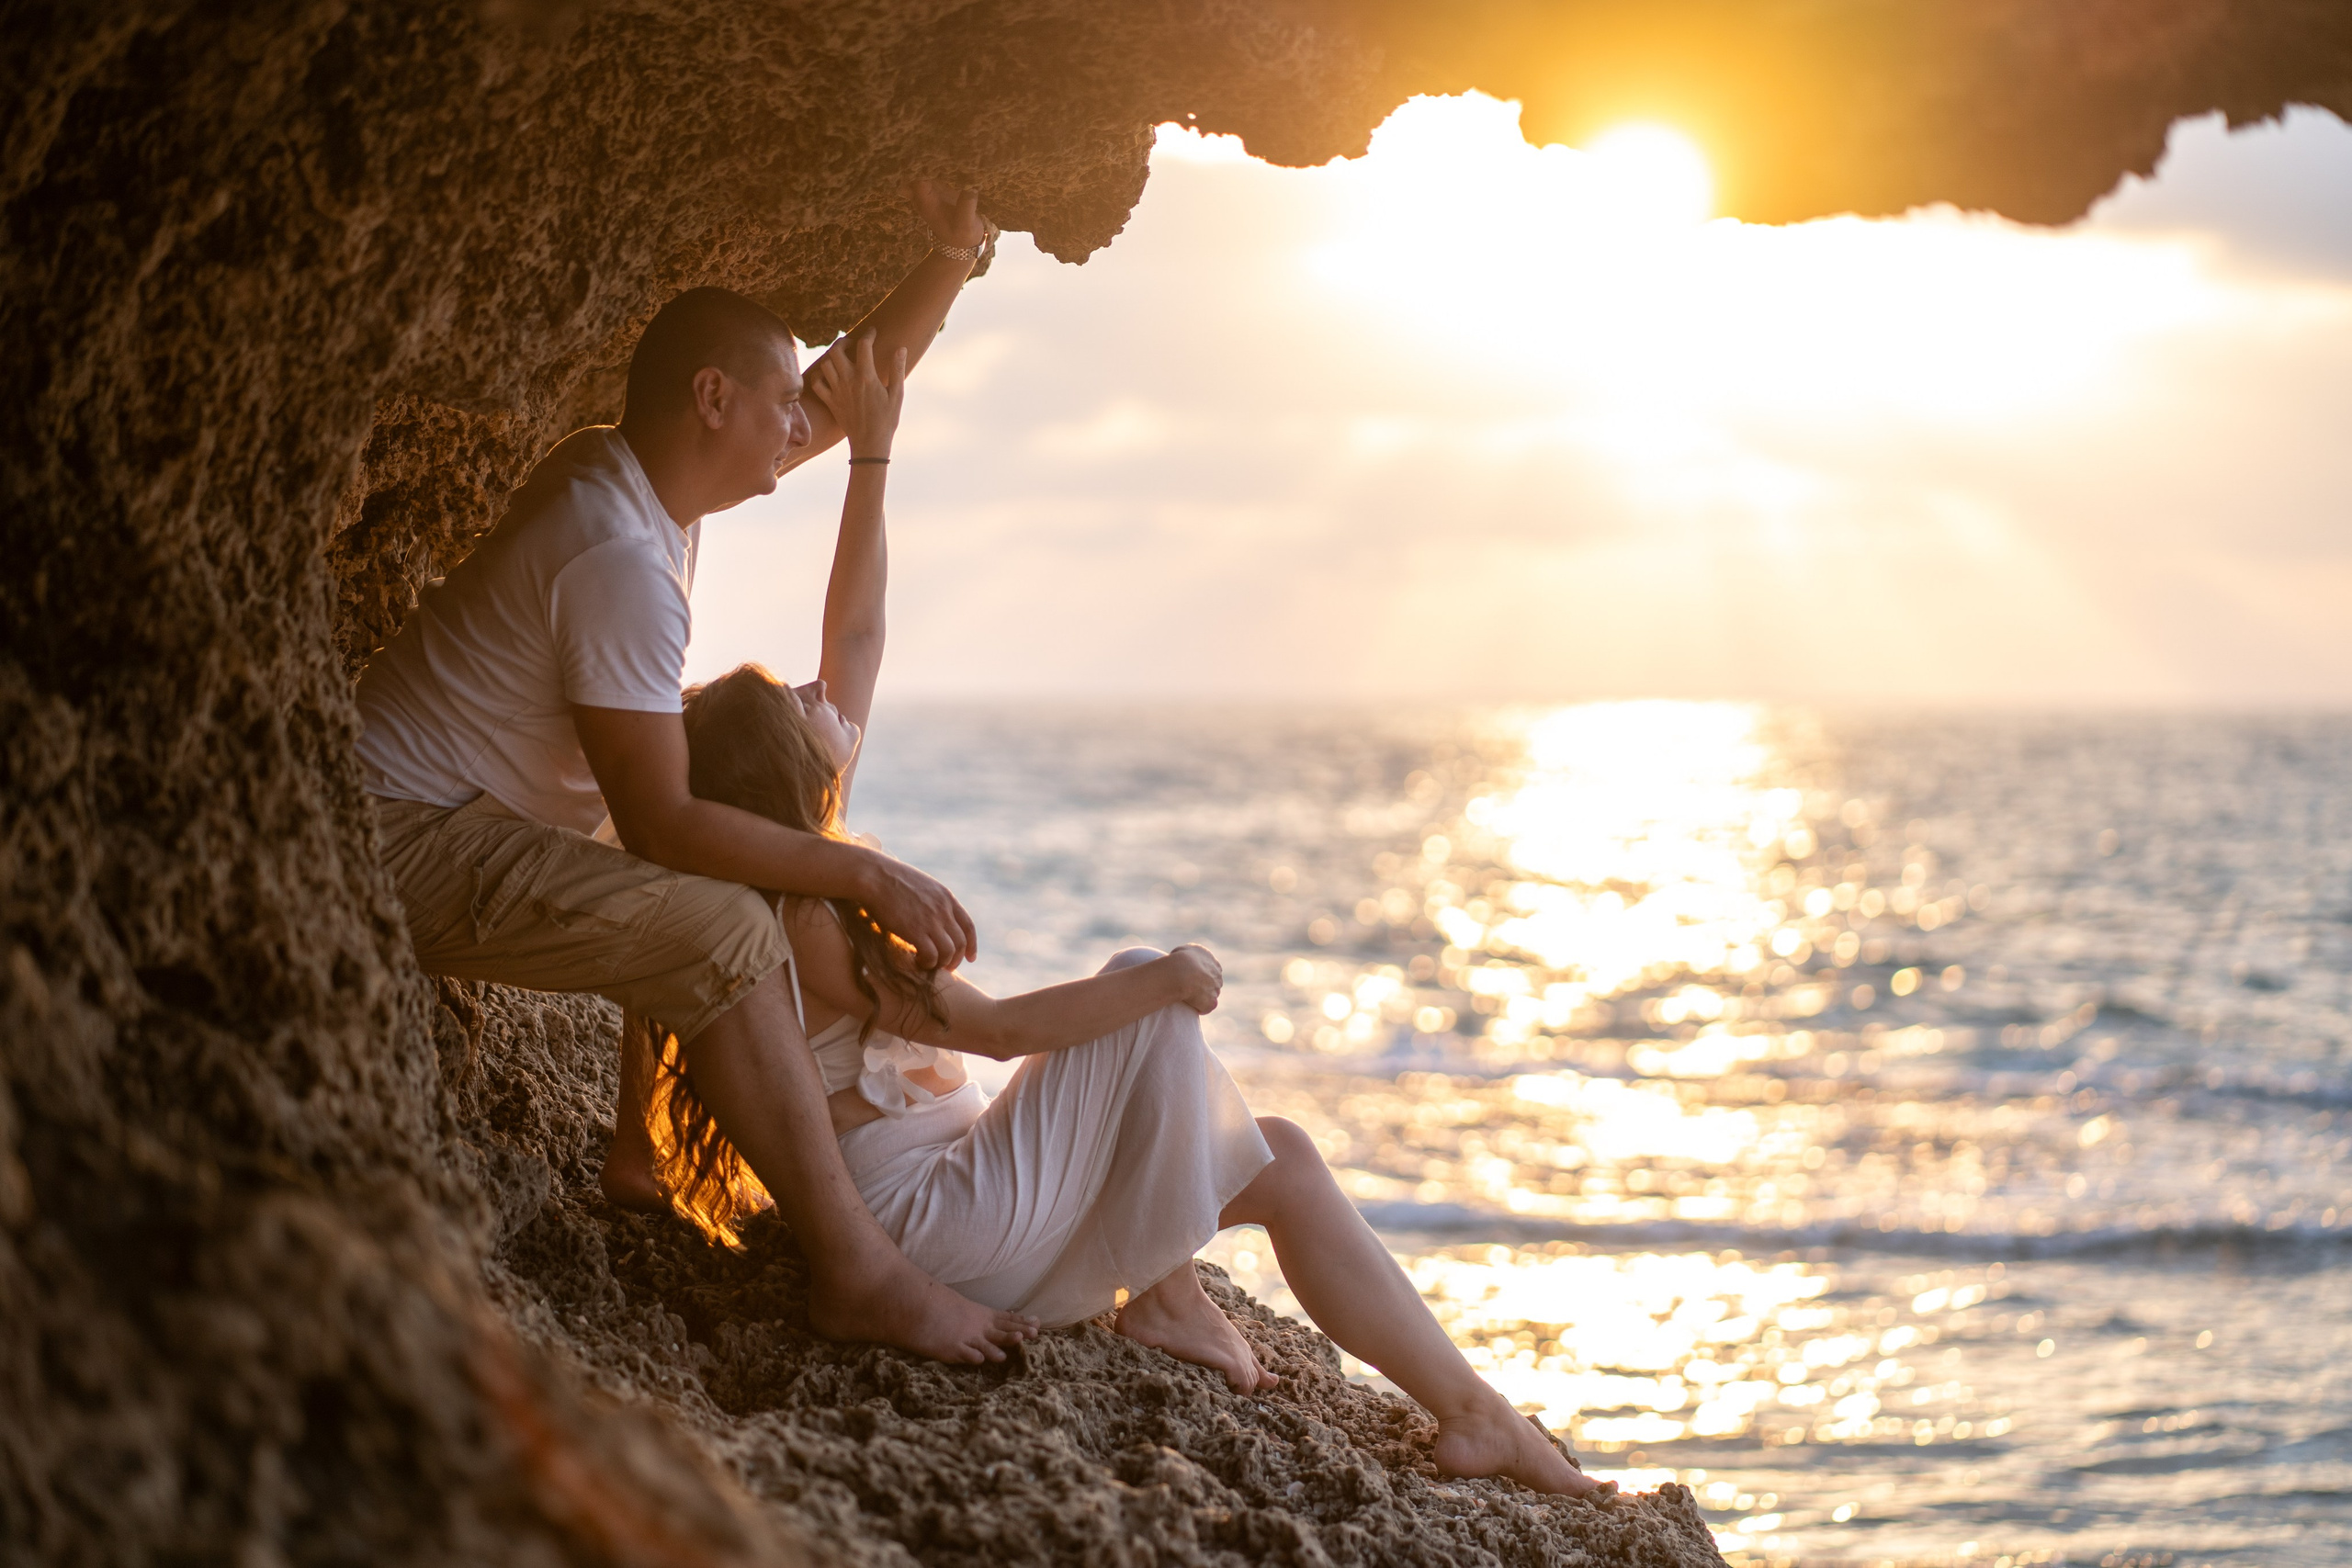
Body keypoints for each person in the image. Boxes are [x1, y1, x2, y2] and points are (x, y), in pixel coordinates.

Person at [648, 394, 1615, 1501]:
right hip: (938, 1228)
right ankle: (1163, 1295)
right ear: (784, 783)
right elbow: (1008, 1034)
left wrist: (870, 453)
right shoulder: (803, 923)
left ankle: (1481, 1418)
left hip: (979, 1203)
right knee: (1135, 991)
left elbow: (857, 637)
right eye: (803, 721)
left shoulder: (795, 884)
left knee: (1285, 1160)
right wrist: (1166, 979)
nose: (829, 714)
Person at [358, 183, 1039, 1364]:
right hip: (392, 842)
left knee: (702, 853)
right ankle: (858, 1271)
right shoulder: (619, 555)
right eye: (774, 401)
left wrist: (948, 257)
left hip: (428, 815)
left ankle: (639, 1151)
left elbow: (843, 393)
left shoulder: (635, 486)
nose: (796, 426)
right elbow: (663, 823)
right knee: (722, 925)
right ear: (711, 399)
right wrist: (860, 881)